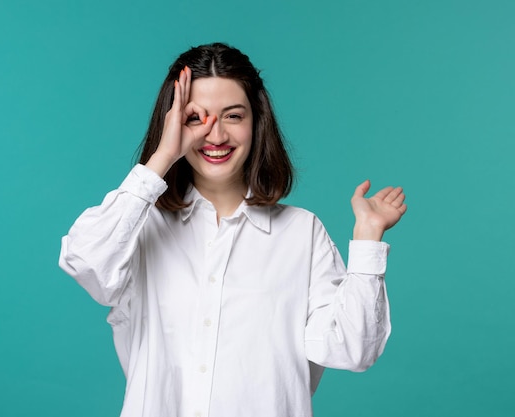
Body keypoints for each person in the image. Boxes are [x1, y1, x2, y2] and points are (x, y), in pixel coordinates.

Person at [59, 42, 407, 417]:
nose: (216, 135)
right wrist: (161, 157)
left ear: (257, 122)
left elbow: (351, 350)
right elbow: (87, 264)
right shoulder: (141, 229)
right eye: (196, 118)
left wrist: (368, 240)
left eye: (233, 116)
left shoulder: (301, 234)